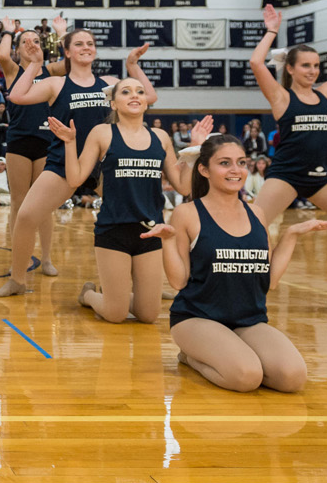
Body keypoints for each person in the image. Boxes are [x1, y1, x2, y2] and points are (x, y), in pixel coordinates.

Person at [145, 135, 327, 393]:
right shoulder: (188, 213)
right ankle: (191, 357)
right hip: (197, 318)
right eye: (225, 163)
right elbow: (179, 282)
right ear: (204, 170)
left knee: (293, 378)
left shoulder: (256, 213)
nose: (236, 170)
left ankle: (232, 350)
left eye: (241, 162)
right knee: (246, 376)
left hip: (248, 319)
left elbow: (270, 281)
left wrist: (291, 235)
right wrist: (167, 242)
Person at [0, 28, 155, 297]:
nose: (86, 47)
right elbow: (17, 96)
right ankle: (18, 280)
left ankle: (144, 282)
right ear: (67, 52)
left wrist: (132, 66)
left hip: (104, 165)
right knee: (24, 216)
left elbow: (149, 97)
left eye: (90, 43)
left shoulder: (108, 84)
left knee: (139, 218)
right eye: (79, 44)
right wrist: (36, 64)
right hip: (62, 163)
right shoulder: (56, 84)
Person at [48, 81, 210, 324]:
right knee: (115, 315)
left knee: (148, 316)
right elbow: (75, 178)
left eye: (140, 92)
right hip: (113, 230)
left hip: (151, 233)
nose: (134, 95)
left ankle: (117, 295)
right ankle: (90, 295)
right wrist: (70, 143)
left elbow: (184, 186)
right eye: (126, 92)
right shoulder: (102, 133)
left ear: (146, 102)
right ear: (113, 103)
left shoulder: (161, 137)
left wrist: (193, 148)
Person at [249, 4, 327, 298]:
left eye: (316, 65)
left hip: (322, 178)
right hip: (285, 176)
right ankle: (252, 283)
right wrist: (271, 30)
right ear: (291, 69)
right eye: (306, 65)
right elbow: (257, 63)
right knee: (252, 227)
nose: (313, 70)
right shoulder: (281, 97)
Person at [0, 15, 68, 276]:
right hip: (19, 141)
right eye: (24, 41)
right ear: (18, 47)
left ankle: (46, 259)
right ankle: (21, 259)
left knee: (44, 205)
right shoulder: (14, 71)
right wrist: (7, 31)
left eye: (35, 40)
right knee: (18, 202)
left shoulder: (51, 71)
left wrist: (61, 33)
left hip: (47, 142)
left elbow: (72, 61)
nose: (30, 44)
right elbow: (2, 55)